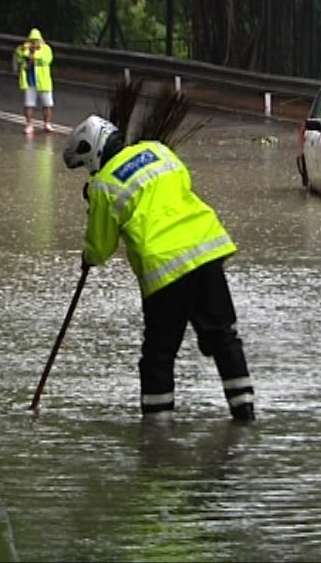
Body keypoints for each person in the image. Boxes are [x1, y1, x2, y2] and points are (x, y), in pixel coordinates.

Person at [62, 114, 256, 422]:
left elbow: (101, 249)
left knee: (158, 355)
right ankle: (245, 413)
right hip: (208, 250)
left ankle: (156, 434)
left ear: (93, 152)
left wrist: (86, 254)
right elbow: (182, 184)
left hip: (166, 270)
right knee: (223, 337)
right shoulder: (158, 150)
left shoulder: (104, 185)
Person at [15, 28, 54, 134]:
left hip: (43, 82)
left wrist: (34, 54)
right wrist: (26, 51)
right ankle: (29, 125)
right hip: (29, 81)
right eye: (32, 41)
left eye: (36, 40)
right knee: (29, 104)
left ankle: (47, 123)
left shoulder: (46, 49)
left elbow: (47, 59)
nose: (34, 43)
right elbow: (18, 56)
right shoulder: (23, 49)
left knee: (47, 104)